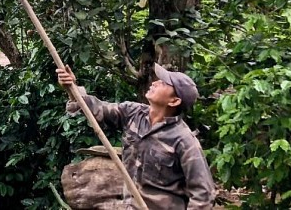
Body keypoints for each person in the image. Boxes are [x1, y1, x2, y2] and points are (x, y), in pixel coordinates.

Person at [56, 63, 215, 209]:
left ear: (174, 101)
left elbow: (203, 193)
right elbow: (94, 108)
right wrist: (72, 88)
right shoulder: (133, 113)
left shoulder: (184, 140)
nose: (155, 83)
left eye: (164, 83)